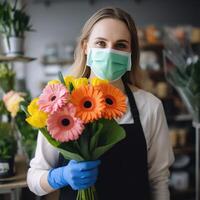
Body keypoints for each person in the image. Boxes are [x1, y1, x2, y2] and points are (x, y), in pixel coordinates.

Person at [27, 7, 174, 200]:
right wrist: (59, 177)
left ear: (131, 52)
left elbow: (159, 180)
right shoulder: (60, 104)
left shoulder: (150, 106)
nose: (109, 52)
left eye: (120, 45)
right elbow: (34, 180)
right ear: (86, 47)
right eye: (101, 43)